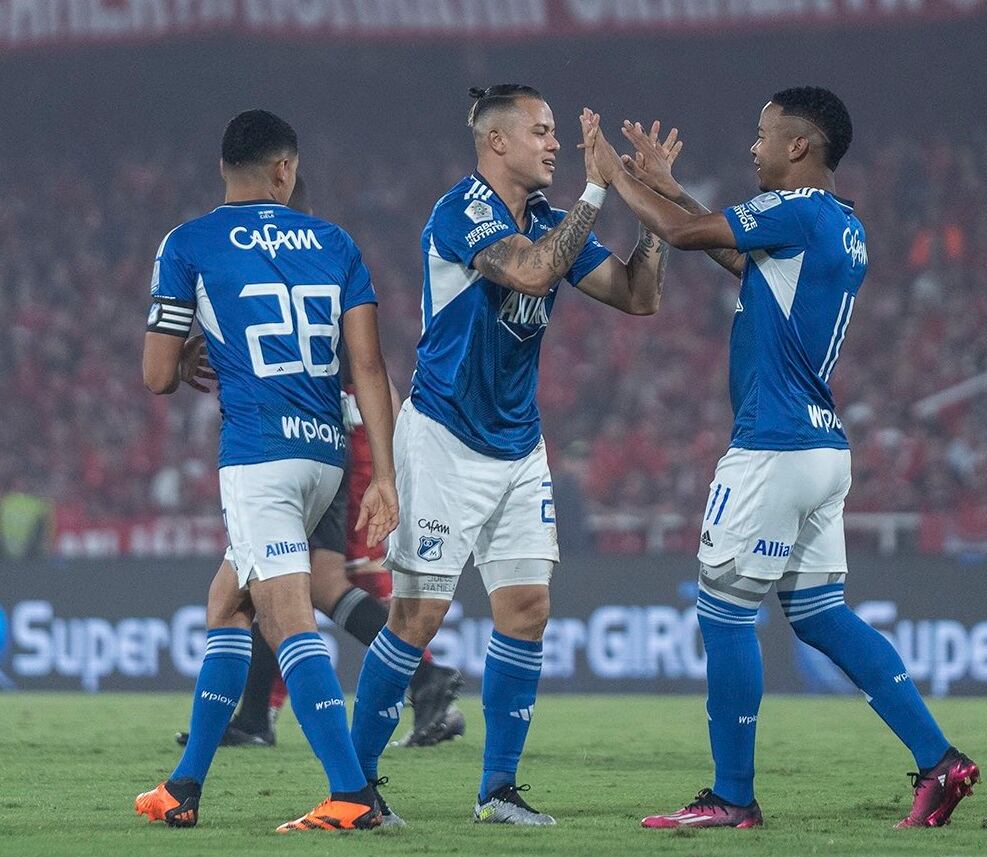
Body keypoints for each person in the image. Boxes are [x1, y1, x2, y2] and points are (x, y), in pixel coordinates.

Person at [585, 86, 979, 830]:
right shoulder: (837, 224)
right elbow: (737, 254)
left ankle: (732, 795)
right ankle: (939, 760)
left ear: (800, 146)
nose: (752, 147)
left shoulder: (794, 209)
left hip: (772, 443)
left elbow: (680, 231)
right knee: (821, 613)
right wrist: (665, 185)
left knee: (723, 613)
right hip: (822, 446)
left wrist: (614, 175)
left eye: (763, 134)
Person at [346, 84, 670, 827]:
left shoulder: (554, 221)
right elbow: (527, 271)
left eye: (558, 134)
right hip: (442, 439)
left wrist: (646, 205)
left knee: (526, 609)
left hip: (519, 445)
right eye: (542, 131)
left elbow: (637, 295)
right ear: (497, 143)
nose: (555, 144)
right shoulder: (461, 210)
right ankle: (354, 786)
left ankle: (497, 790)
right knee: (418, 616)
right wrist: (597, 184)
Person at [135, 109, 399, 832]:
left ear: (226, 167)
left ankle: (351, 794)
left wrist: (190, 348)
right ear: (286, 170)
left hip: (258, 458)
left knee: (286, 618)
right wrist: (387, 475)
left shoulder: (188, 242)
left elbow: (159, 376)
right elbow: (369, 367)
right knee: (227, 600)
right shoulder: (336, 242)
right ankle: (182, 786)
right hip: (326, 455)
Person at [172, 176, 463, 754]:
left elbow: (358, 368)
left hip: (314, 439)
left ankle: (423, 680)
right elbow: (368, 360)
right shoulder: (327, 255)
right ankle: (257, 714)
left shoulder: (262, 259)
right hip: (334, 437)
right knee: (271, 580)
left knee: (325, 582)